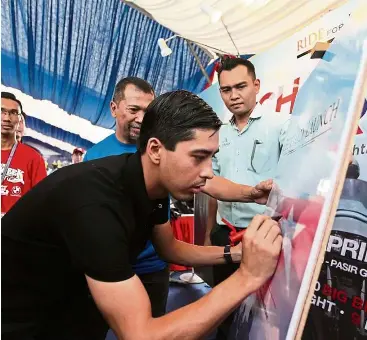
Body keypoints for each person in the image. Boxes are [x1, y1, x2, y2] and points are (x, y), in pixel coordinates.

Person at [2, 90, 282, 340]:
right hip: (23, 322)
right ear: (156, 150)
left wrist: (235, 254)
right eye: (198, 157)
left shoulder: (150, 184)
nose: (209, 170)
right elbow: (141, 335)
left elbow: (169, 248)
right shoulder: (96, 206)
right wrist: (247, 277)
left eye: (212, 157)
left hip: (72, 306)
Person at [205, 57, 290, 339]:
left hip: (264, 238)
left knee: (264, 316)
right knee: (223, 310)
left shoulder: (281, 125)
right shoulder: (218, 134)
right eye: (226, 89)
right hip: (225, 235)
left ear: (256, 86)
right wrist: (210, 235)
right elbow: (210, 182)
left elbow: (295, 178)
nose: (234, 95)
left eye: (240, 86)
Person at [84, 77, 170, 318]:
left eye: (148, 110)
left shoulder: (162, 150)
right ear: (114, 108)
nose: (142, 118)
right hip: (107, 269)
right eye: (134, 109)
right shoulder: (94, 156)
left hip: (152, 268)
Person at [1, 92, 47, 216]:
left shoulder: (34, 158)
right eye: (2, 111)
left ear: (20, 119)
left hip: (15, 230)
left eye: (13, 113)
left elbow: (42, 202)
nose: (6, 118)